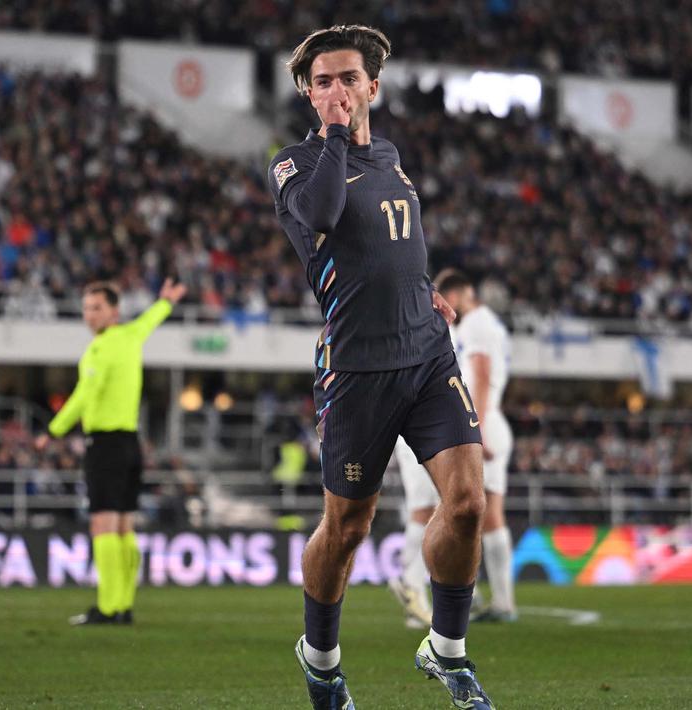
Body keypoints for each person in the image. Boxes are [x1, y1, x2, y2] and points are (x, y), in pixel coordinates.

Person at [270, 25, 493, 709]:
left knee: (465, 505)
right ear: (309, 94)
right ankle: (320, 658)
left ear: (373, 86)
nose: (335, 91)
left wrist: (416, 289)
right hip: (358, 369)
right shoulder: (295, 165)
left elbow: (391, 239)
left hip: (425, 351)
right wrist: (336, 138)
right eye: (322, 82)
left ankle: (446, 650)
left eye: (347, 79)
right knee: (347, 528)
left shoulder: (391, 155)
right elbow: (324, 216)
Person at [35, 279, 185, 625]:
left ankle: (106, 606)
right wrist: (165, 302)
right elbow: (150, 320)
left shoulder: (100, 350)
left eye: (96, 308)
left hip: (104, 445)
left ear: (114, 312)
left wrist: (52, 432)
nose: (89, 315)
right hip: (131, 444)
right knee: (122, 527)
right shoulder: (131, 336)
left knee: (103, 525)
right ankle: (123, 606)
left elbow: (84, 396)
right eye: (86, 308)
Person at [389, 269, 516, 628]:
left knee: (459, 508)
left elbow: (481, 372)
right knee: (476, 511)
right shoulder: (483, 324)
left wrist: (476, 425)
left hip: (475, 418)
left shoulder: (474, 324)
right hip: (479, 418)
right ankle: (483, 596)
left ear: (460, 294)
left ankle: (416, 580)